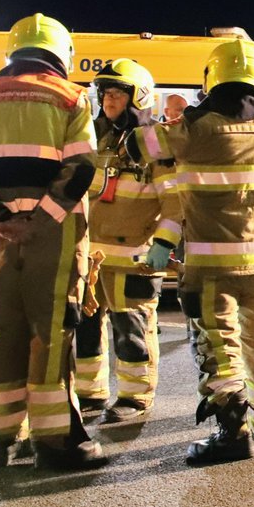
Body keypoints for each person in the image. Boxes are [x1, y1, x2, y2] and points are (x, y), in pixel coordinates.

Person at [0, 14, 107, 470]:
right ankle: (54, 442)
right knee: (50, 332)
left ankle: (1, 439)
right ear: (60, 54)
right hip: (51, 238)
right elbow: (83, 169)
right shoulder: (70, 100)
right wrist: (40, 220)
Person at [131, 39, 254, 465]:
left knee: (217, 345)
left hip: (212, 264)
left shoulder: (195, 128)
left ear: (211, 80)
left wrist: (146, 111)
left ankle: (232, 433)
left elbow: (139, 146)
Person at [72, 59, 182, 423]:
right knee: (86, 326)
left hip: (136, 255)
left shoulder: (153, 139)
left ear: (139, 97)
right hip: (92, 256)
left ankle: (135, 397)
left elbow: (174, 199)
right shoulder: (94, 135)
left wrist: (163, 244)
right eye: (105, 92)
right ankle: (90, 392)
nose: (109, 99)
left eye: (118, 92)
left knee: (131, 328)